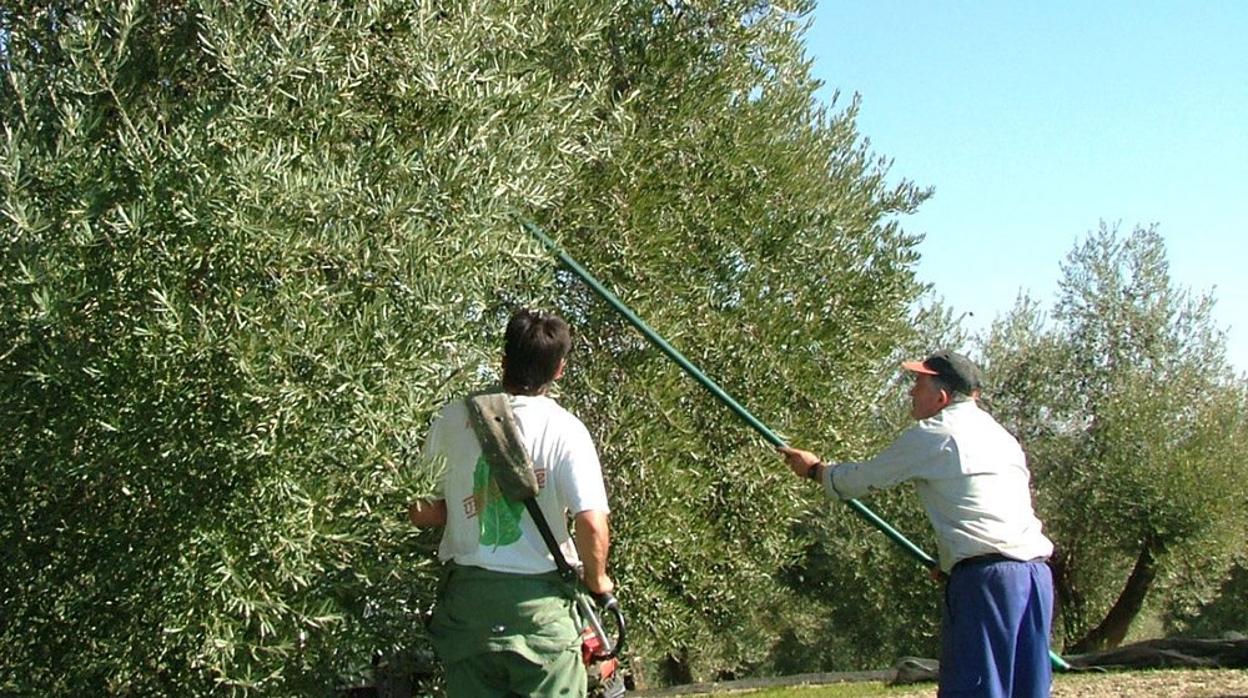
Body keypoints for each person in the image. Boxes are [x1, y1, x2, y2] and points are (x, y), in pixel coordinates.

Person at [779, 350, 1054, 698]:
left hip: (987, 584)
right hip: (1034, 579)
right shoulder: (1001, 436)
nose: (911, 392)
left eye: (918, 383)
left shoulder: (936, 433)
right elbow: (991, 508)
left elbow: (865, 478)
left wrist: (816, 471)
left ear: (941, 396)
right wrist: (954, 559)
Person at [409, 308, 613, 697]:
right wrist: (597, 578)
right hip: (539, 614)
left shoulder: (452, 419)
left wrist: (470, 506)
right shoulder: (566, 430)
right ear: (559, 370)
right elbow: (591, 523)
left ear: (503, 361)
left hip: (469, 611)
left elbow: (421, 511)